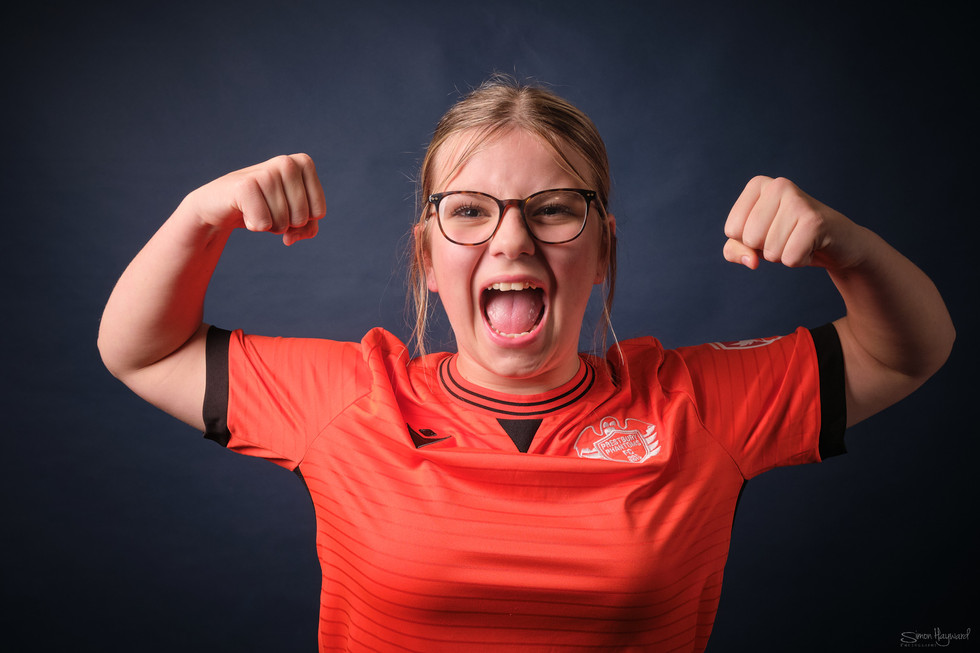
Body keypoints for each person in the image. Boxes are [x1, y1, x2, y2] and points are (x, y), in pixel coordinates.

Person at [98, 76, 954, 652]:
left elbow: (910, 348)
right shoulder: (351, 399)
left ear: (604, 251)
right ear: (428, 257)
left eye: (553, 209)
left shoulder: (695, 405)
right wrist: (197, 216)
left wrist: (848, 245)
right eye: (469, 210)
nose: (512, 237)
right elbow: (141, 349)